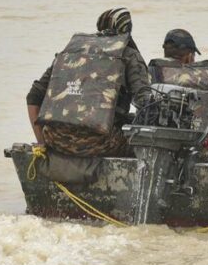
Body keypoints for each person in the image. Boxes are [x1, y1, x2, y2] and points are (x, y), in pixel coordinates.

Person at [26, 8, 151, 157]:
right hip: (100, 143)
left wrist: (42, 143)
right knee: (141, 141)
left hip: (54, 139)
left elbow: (33, 96)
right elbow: (146, 104)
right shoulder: (129, 55)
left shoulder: (71, 51)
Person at [147, 29, 208, 161]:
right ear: (189, 56)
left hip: (157, 152)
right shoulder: (200, 77)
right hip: (199, 154)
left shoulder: (152, 71)